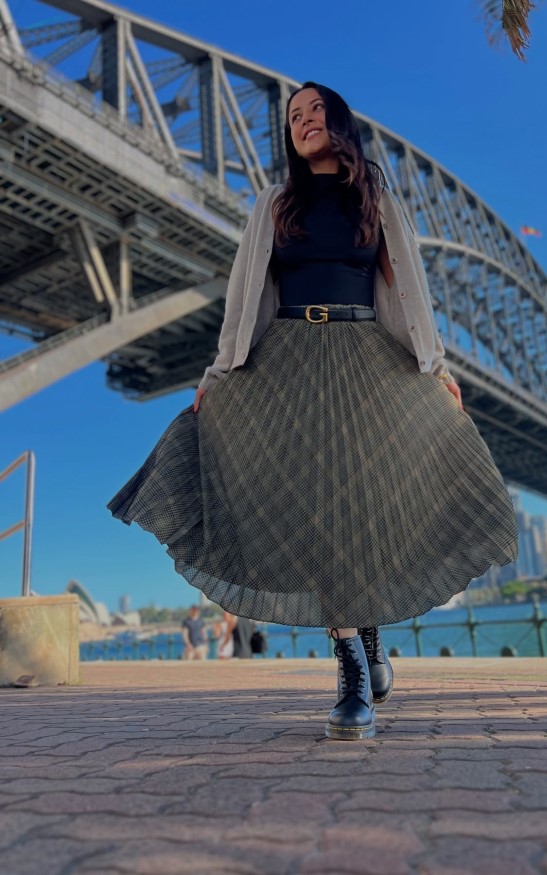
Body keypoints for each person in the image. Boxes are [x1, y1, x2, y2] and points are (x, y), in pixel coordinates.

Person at [108, 81, 518, 740]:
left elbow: (408, 292)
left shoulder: (376, 200)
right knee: (319, 509)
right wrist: (218, 375)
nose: (301, 122)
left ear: (341, 123)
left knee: (367, 505)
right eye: (292, 116)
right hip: (291, 361)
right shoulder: (274, 203)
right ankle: (352, 667)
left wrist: (436, 369)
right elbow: (246, 298)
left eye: (313, 111)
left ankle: (371, 635)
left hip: (366, 361)